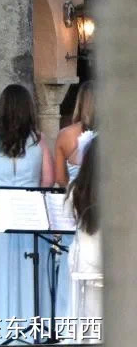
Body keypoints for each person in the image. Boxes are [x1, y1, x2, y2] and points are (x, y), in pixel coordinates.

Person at [0, 84, 54, 346]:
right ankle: (27, 331)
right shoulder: (38, 139)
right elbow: (48, 180)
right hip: (29, 210)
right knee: (27, 271)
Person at [53, 81, 94, 319]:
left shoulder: (65, 135)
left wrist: (77, 190)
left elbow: (60, 178)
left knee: (73, 269)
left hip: (77, 211)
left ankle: (70, 323)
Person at [66, 138, 100, 332]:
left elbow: (69, 219)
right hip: (118, 261)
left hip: (86, 261)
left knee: (90, 317)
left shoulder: (77, 190)